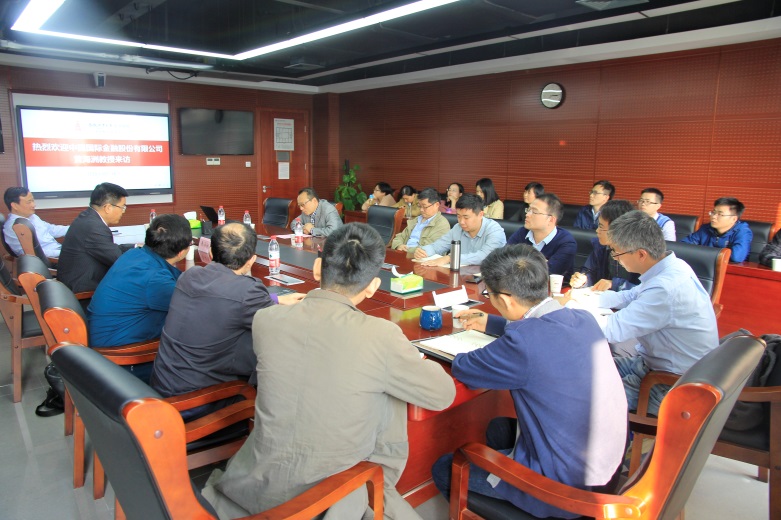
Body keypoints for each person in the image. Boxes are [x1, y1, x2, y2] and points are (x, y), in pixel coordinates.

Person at [201, 223, 456, 519]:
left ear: (317, 268)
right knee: (388, 390)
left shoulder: (266, 320)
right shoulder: (380, 335)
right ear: (373, 286)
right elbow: (443, 394)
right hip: (324, 499)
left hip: (253, 481)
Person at [432, 245, 626, 519]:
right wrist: (493, 323)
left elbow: (466, 367)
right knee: (499, 428)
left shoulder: (522, 344)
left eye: (489, 294)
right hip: (605, 469)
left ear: (506, 299)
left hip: (565, 489)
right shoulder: (583, 319)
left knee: (445, 467)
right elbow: (540, 332)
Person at [576, 211, 718, 414]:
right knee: (580, 369)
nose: (615, 258)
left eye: (616, 253)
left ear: (641, 254)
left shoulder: (665, 288)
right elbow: (629, 296)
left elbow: (611, 330)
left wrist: (567, 315)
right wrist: (582, 298)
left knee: (578, 394)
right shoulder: (672, 267)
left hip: (670, 385)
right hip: (649, 366)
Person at [150, 222, 305, 406]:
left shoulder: (189, 276)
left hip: (163, 386)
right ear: (251, 260)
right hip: (197, 401)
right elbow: (285, 327)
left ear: (211, 253)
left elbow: (226, 299)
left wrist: (275, 299)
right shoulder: (248, 292)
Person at [87, 214, 193, 382]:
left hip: (103, 347)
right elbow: (195, 309)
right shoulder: (155, 280)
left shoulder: (135, 255)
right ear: (182, 252)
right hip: (122, 360)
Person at [57, 182, 134, 293]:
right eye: (122, 207)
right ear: (108, 208)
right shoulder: (95, 227)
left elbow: (110, 249)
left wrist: (136, 247)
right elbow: (119, 260)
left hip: (79, 280)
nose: (123, 211)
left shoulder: (88, 217)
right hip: (83, 290)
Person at [414, 194, 506, 266]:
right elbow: (438, 245)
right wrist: (423, 251)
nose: (461, 222)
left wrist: (450, 258)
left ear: (480, 215)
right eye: (458, 216)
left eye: (466, 217)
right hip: (461, 275)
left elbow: (485, 256)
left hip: (487, 279)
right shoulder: (458, 228)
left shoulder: (495, 231)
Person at [570, 200, 640, 291]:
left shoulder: (640, 252)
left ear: (618, 229)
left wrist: (614, 284)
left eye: (601, 227)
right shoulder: (600, 247)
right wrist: (583, 281)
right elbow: (590, 272)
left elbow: (647, 289)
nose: (597, 231)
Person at [507, 193, 576, 279]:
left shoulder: (566, 242)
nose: (527, 214)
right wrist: (540, 263)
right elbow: (503, 260)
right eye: (528, 210)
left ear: (551, 219)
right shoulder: (522, 232)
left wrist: (520, 262)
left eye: (534, 212)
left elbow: (547, 275)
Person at [3, 187, 69, 258]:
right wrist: (64, 252)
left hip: (59, 251)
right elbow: (31, 255)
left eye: (33, 201)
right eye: (29, 202)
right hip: (52, 259)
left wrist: (74, 228)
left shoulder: (32, 216)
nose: (33, 205)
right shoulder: (14, 227)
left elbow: (51, 229)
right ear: (15, 206)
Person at [681, 197, 752, 263]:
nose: (714, 216)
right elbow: (683, 246)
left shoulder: (743, 232)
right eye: (713, 212)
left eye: (720, 214)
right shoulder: (705, 228)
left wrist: (702, 253)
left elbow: (736, 257)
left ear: (734, 219)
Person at [391, 187, 451, 253]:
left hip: (421, 257)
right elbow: (400, 236)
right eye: (419, 206)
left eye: (425, 207)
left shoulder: (442, 224)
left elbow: (428, 248)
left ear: (436, 205)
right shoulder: (416, 219)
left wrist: (406, 249)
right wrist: (398, 245)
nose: (421, 210)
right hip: (404, 253)